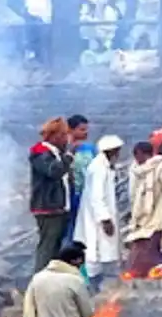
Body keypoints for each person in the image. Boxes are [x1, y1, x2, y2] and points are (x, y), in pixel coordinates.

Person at [126, 141, 162, 277]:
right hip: (144, 221)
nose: (136, 159)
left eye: (137, 155)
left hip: (161, 220)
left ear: (144, 154)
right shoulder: (140, 172)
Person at [74, 134, 123, 291]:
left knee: (99, 251)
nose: (118, 155)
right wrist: (105, 219)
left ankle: (98, 283)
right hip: (95, 217)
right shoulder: (98, 169)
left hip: (98, 214)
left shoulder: (106, 167)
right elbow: (97, 196)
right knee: (93, 251)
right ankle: (92, 285)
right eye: (117, 151)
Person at [30, 117, 73, 273]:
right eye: (63, 135)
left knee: (55, 248)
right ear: (53, 136)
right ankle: (40, 278)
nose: (66, 139)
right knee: (47, 248)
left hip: (59, 207)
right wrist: (68, 158)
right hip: (47, 207)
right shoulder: (40, 153)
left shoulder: (55, 153)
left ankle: (50, 279)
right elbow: (53, 171)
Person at [65, 114, 94, 244]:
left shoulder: (91, 149)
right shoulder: (64, 149)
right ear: (71, 130)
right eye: (82, 129)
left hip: (87, 196)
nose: (85, 132)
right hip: (70, 196)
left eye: (86, 129)